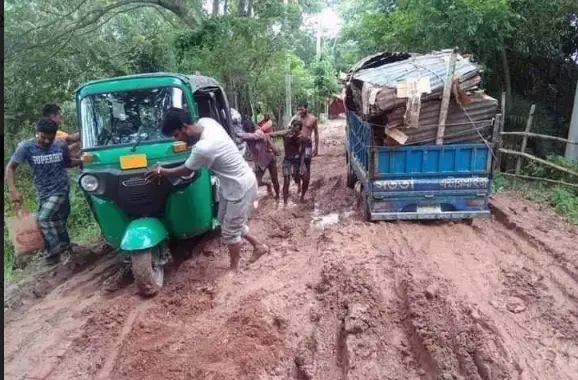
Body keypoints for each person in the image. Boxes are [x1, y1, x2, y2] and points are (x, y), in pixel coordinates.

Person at [145, 108, 269, 270]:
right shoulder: (207, 122)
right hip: (231, 183)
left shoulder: (204, 147)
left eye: (177, 135)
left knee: (230, 232)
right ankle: (259, 247)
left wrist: (162, 171)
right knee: (224, 221)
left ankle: (234, 269)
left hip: (240, 186)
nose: (179, 140)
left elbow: (186, 170)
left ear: (185, 127)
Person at [6, 117, 82, 264]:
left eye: (50, 138)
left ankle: (56, 250)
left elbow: (68, 163)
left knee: (43, 218)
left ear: (55, 134)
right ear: (37, 132)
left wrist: (82, 160)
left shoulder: (60, 145)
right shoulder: (26, 147)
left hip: (60, 188)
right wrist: (12, 189)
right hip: (42, 191)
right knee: (57, 221)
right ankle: (64, 249)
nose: (47, 141)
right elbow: (10, 167)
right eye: (43, 137)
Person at [237, 119, 280, 199]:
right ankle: (268, 184)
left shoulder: (259, 133)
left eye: (249, 129)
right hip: (261, 161)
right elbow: (239, 141)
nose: (249, 131)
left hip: (270, 158)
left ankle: (277, 196)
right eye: (247, 130)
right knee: (257, 181)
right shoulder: (246, 136)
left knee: (275, 179)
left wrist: (238, 134)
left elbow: (253, 136)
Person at [293, 101, 318, 202]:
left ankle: (303, 195)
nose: (300, 111)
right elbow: (289, 129)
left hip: (307, 146)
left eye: (302, 109)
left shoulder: (313, 119)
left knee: (306, 169)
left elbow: (316, 133)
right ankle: (298, 184)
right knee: (295, 169)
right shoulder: (296, 118)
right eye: (298, 109)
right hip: (296, 145)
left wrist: (317, 147)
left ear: (307, 108)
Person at [282, 119, 306, 205]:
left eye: (297, 128)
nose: (294, 129)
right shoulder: (286, 134)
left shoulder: (301, 137)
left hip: (296, 160)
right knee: (286, 181)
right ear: (291, 126)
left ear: (299, 129)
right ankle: (285, 203)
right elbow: (275, 134)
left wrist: (302, 165)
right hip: (287, 160)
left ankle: (298, 185)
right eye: (293, 127)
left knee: (296, 177)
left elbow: (303, 152)